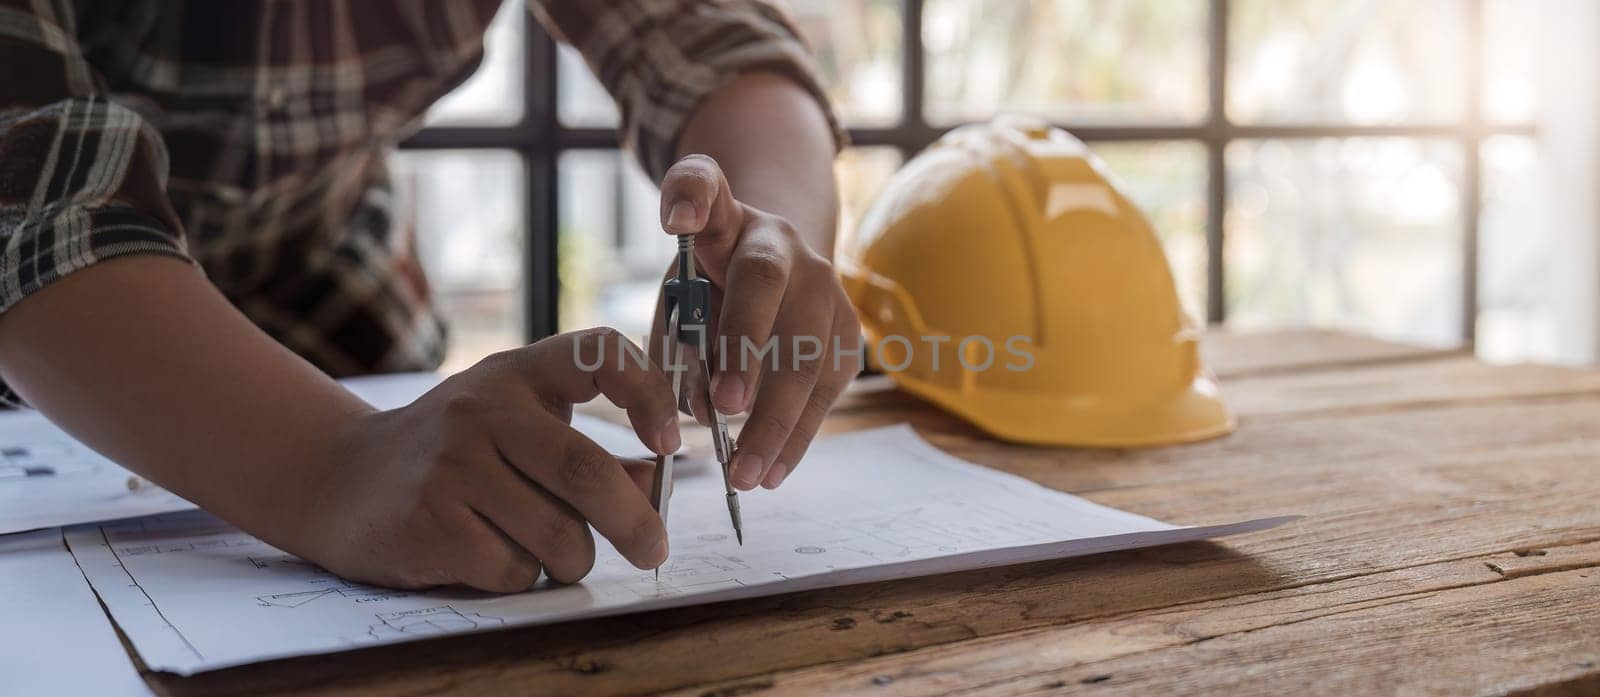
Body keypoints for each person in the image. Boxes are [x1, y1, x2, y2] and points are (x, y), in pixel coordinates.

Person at [0, 0, 860, 592]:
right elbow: (28, 198)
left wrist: (767, 232)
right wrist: (331, 467)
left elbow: (717, 45)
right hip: (48, 361)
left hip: (344, 324)